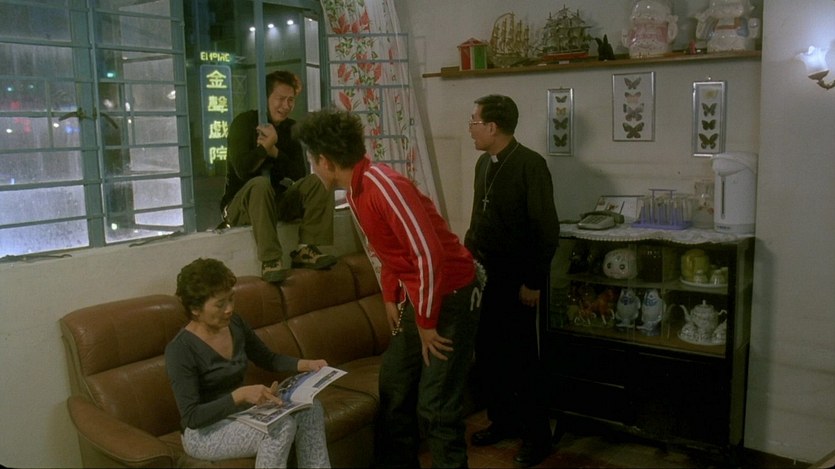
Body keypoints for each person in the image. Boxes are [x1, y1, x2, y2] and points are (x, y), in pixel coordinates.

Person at [294, 108, 484, 469]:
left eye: (313, 161)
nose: (313, 168)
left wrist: (425, 322)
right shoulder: (355, 192)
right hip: (422, 296)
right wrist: (390, 296)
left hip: (452, 295)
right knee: (394, 385)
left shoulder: (383, 184)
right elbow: (389, 251)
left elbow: (428, 255)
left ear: (325, 160)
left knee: (436, 405)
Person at [464, 94, 560, 467]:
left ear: (492, 127)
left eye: (474, 122)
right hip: (483, 278)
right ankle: (502, 421)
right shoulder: (482, 164)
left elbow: (546, 230)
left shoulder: (530, 165)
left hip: (517, 281)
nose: (470, 128)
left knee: (521, 362)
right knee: (489, 357)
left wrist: (533, 281)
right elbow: (478, 220)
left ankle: (538, 438)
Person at [165, 258, 331, 468]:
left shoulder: (235, 324)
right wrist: (239, 395)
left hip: (244, 415)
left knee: (311, 409)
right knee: (281, 428)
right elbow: (192, 417)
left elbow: (268, 358)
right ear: (195, 309)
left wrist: (307, 365)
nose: (229, 309)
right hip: (204, 432)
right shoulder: (180, 349)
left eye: (231, 299)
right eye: (220, 304)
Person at [220, 70, 336, 283]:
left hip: (275, 202)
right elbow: (242, 170)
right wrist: (263, 148)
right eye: (280, 99)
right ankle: (271, 260)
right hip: (241, 205)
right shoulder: (243, 122)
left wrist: (274, 152)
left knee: (319, 180)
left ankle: (305, 248)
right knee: (259, 184)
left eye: (290, 100)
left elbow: (299, 173)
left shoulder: (291, 128)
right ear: (265, 98)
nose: (286, 105)